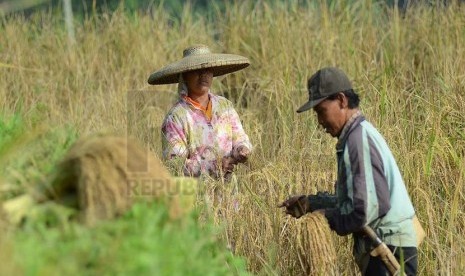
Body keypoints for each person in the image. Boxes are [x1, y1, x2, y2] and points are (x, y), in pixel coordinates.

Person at [279, 67, 419, 275]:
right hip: (386, 246)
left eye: (321, 111)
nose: (319, 122)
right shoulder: (356, 136)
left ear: (342, 100)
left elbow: (364, 211)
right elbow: (355, 201)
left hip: (389, 249)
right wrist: (311, 204)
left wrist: (325, 217)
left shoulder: (358, 141)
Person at [147, 44, 252, 179]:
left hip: (229, 195)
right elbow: (175, 165)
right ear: (185, 75)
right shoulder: (176, 117)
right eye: (197, 70)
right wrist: (213, 166)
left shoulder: (224, 106)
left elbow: (240, 138)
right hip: (196, 196)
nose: (204, 74)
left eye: (208, 69)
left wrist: (241, 149)